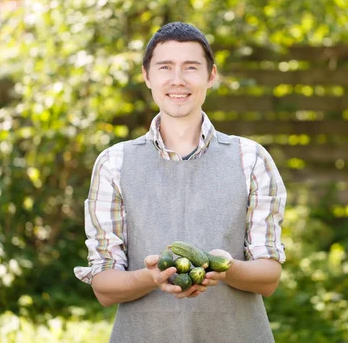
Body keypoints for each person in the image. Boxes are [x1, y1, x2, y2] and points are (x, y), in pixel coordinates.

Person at [74, 22, 287, 343]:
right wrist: (151, 277)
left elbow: (269, 278)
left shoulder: (250, 158)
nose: (177, 80)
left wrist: (225, 268)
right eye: (165, 68)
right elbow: (104, 288)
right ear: (147, 76)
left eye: (191, 67)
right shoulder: (114, 163)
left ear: (211, 75)